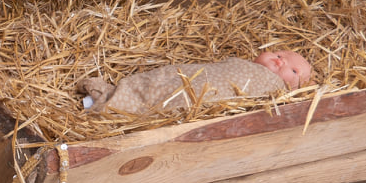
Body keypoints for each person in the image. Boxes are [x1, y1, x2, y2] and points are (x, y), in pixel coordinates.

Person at [77, 49, 313, 115]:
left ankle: (105, 105)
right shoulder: (241, 64)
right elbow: (210, 71)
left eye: (293, 70)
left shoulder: (273, 92)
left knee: (172, 103)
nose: (280, 62)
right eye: (279, 54)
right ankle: (110, 96)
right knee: (164, 80)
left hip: (204, 99)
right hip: (193, 78)